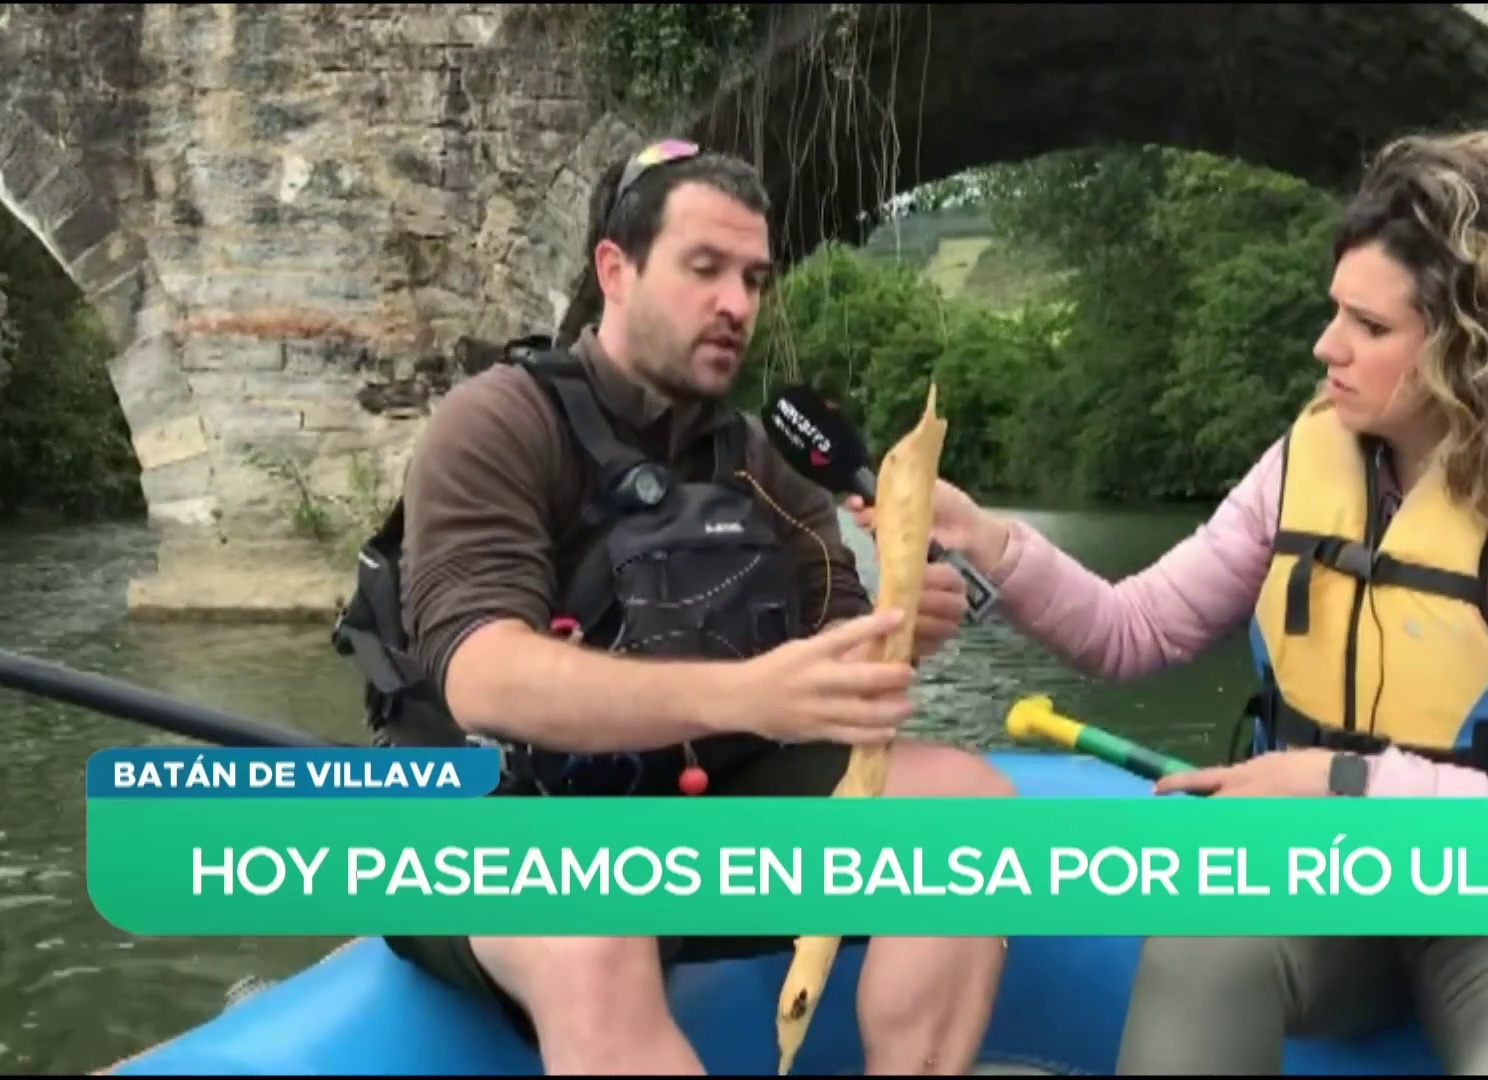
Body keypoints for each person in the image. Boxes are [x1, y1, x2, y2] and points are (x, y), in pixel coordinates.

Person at [846, 130, 1488, 1074]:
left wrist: (1336, 782)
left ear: (1472, 349)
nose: (1329, 347)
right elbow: (1134, 630)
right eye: (1335, 314)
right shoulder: (1302, 465)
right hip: (1323, 888)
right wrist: (989, 538)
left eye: (1371, 326)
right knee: (1204, 939)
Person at [343, 140, 1014, 1075]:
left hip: (692, 805)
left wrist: (900, 626)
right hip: (493, 816)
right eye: (705, 270)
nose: (736, 303)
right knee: (593, 932)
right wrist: (744, 696)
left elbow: (835, 651)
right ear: (615, 270)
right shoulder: (497, 422)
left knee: (970, 815)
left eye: (753, 278)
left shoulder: (759, 456)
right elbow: (480, 675)